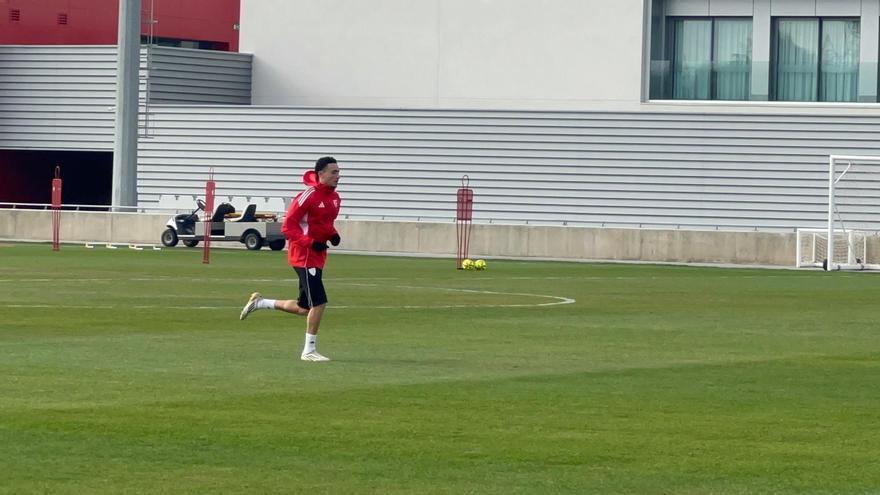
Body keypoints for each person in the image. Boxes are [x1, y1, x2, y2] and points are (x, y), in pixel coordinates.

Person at [239, 156, 342, 362]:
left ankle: (261, 303)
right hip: (303, 256)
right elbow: (288, 227)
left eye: (338, 172)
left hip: (318, 257)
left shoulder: (335, 198)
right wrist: (310, 243)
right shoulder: (307, 196)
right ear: (320, 174)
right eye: (333, 172)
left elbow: (322, 223)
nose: (337, 176)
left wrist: (333, 234)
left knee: (305, 308)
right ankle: (309, 351)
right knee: (319, 303)